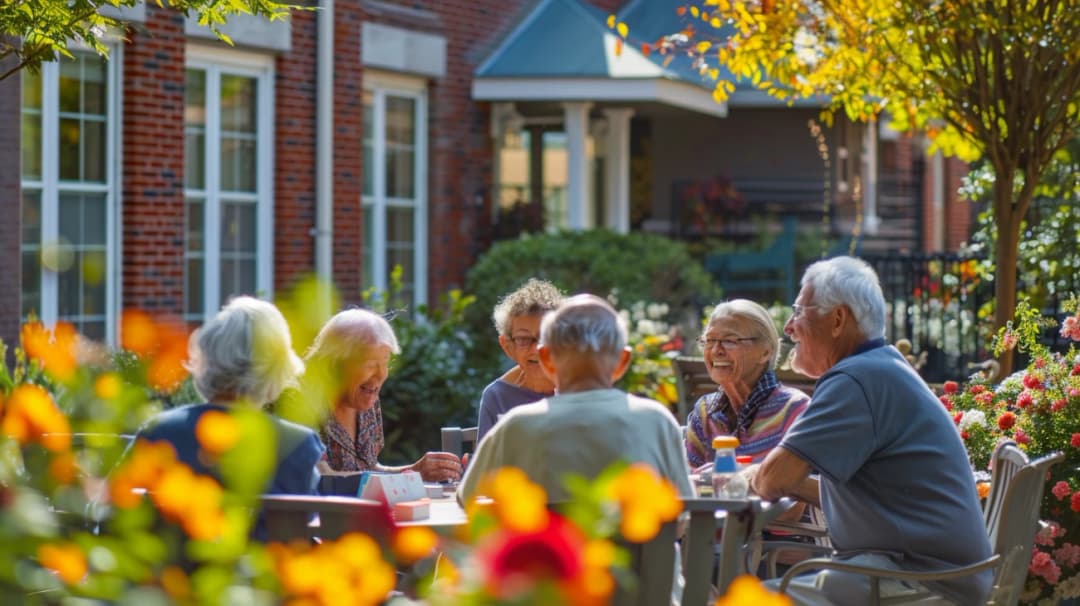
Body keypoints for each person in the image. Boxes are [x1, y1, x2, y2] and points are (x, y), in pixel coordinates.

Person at [749, 257, 992, 605]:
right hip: (929, 574)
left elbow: (773, 480)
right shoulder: (878, 367)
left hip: (919, 582)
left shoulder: (855, 379)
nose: (788, 326)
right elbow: (867, 496)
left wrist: (752, 476)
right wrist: (778, 478)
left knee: (742, 598)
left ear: (837, 319)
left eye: (799, 311)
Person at [459, 294, 692, 504]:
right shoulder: (658, 421)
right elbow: (684, 512)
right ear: (623, 362)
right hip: (641, 553)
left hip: (549, 553)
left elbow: (470, 499)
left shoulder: (515, 424)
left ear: (546, 359)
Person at [134, 296, 324, 498]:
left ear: (204, 358)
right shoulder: (296, 443)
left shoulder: (159, 430)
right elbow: (313, 521)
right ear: (278, 368)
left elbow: (112, 508)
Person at [304, 308, 462, 482]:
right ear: (334, 364)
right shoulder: (300, 402)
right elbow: (321, 479)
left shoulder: (364, 397)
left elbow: (369, 468)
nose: (380, 375)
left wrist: (413, 471)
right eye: (370, 364)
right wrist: (409, 476)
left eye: (385, 363)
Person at [684, 299, 810, 468]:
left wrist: (747, 477)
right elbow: (686, 483)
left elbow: (816, 487)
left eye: (730, 341)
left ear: (765, 352)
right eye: (709, 340)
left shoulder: (794, 410)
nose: (716, 350)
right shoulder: (705, 413)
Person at [476, 278, 564, 441]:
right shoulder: (497, 397)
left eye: (545, 337)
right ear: (508, 346)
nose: (535, 349)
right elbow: (488, 463)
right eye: (523, 339)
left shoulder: (578, 389)